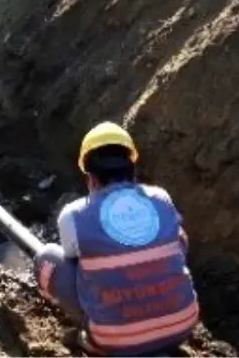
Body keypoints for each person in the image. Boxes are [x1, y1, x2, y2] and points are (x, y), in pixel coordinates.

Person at [33, 122, 200, 357]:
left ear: (90, 178)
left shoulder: (73, 214)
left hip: (115, 343)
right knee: (177, 237)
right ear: (132, 169)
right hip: (181, 327)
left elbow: (73, 264)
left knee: (48, 258)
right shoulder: (161, 198)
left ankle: (91, 339)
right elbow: (180, 243)